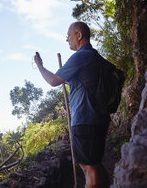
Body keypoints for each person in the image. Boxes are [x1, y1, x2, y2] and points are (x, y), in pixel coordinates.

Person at [34, 21, 110, 188]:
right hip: (97, 117)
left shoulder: (81, 56)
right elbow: (81, 83)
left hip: (85, 119)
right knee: (95, 163)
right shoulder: (94, 56)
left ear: (79, 35)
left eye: (68, 36)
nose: (67, 39)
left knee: (88, 167)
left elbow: (54, 81)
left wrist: (40, 66)